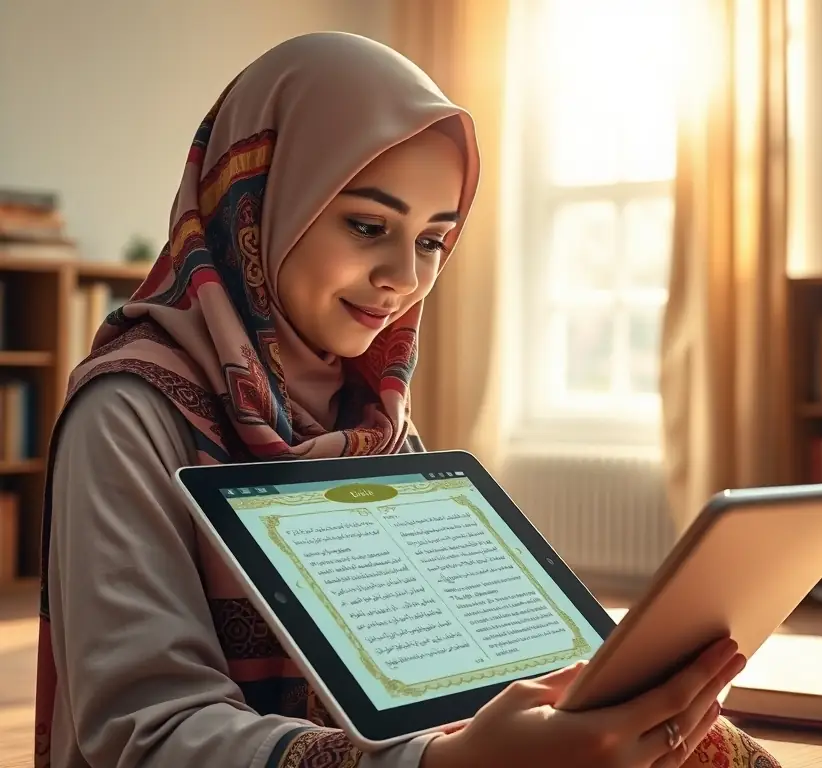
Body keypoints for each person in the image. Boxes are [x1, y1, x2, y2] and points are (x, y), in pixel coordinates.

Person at [33, 32, 780, 768]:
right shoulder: (128, 413)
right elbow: (146, 733)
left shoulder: (373, 414)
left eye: (431, 241)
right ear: (257, 204)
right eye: (367, 225)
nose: (404, 277)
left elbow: (455, 667)